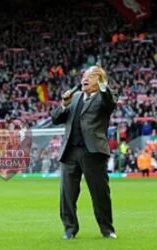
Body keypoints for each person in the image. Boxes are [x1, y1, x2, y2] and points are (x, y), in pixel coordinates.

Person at [51, 65, 117, 239]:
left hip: (93, 152)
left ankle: (107, 229)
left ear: (101, 81)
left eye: (91, 76)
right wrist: (63, 105)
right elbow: (56, 119)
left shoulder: (104, 98)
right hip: (70, 151)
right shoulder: (75, 97)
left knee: (99, 193)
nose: (85, 79)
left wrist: (104, 87)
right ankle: (69, 230)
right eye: (84, 76)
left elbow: (110, 103)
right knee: (67, 194)